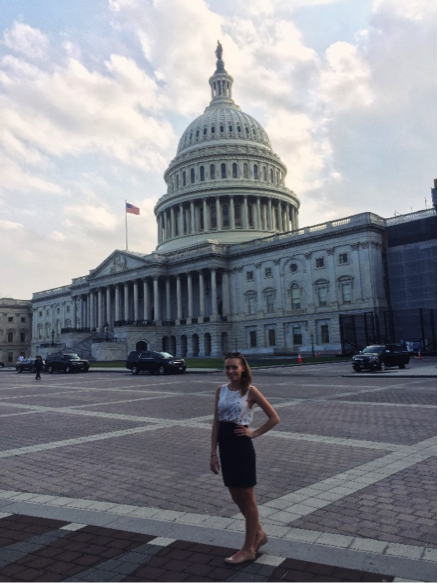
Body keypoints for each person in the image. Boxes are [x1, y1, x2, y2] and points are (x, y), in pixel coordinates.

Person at [210, 352, 280, 565]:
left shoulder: (250, 391)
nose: (230, 371)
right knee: (235, 495)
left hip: (241, 446)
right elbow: (216, 422)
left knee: (247, 497)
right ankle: (259, 534)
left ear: (243, 369)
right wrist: (213, 452)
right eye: (227, 368)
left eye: (234, 367)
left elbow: (274, 418)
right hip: (225, 446)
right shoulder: (220, 390)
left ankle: (249, 548)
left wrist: (254, 433)